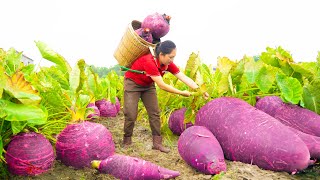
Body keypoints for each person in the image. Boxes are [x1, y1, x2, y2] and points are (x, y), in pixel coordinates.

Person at [122, 40, 209, 153]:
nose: (172, 60)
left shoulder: (167, 64)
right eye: (170, 57)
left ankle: (157, 143)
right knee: (131, 113)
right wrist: (181, 92)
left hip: (148, 85)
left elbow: (183, 77)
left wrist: (200, 90)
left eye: (174, 57)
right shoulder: (149, 61)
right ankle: (127, 140)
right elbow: (162, 85)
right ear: (161, 54)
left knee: (154, 113)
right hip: (132, 84)